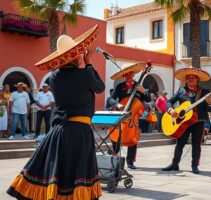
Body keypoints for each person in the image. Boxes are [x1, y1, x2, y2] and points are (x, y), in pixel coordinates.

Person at [7, 25, 104, 199]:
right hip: (79, 131)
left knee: (60, 174)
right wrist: (88, 64)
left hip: (59, 132)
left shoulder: (53, 77)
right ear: (75, 55)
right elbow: (100, 87)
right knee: (77, 174)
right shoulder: (85, 74)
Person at [162, 67, 211, 174]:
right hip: (183, 122)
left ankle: (195, 166)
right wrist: (170, 110)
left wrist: (209, 102)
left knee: (196, 144)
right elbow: (169, 102)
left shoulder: (205, 92)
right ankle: (174, 164)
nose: (190, 79)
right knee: (180, 143)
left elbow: (210, 109)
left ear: (197, 79)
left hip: (198, 121)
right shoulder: (181, 90)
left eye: (192, 77)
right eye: (188, 78)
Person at [108, 63, 150, 169]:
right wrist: (117, 104)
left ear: (133, 74)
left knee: (133, 139)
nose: (129, 76)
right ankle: (115, 156)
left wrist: (143, 91)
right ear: (123, 76)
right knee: (115, 136)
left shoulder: (139, 86)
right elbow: (110, 99)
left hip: (133, 118)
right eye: (126, 74)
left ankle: (130, 161)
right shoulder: (119, 87)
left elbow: (148, 99)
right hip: (121, 116)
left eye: (130, 74)